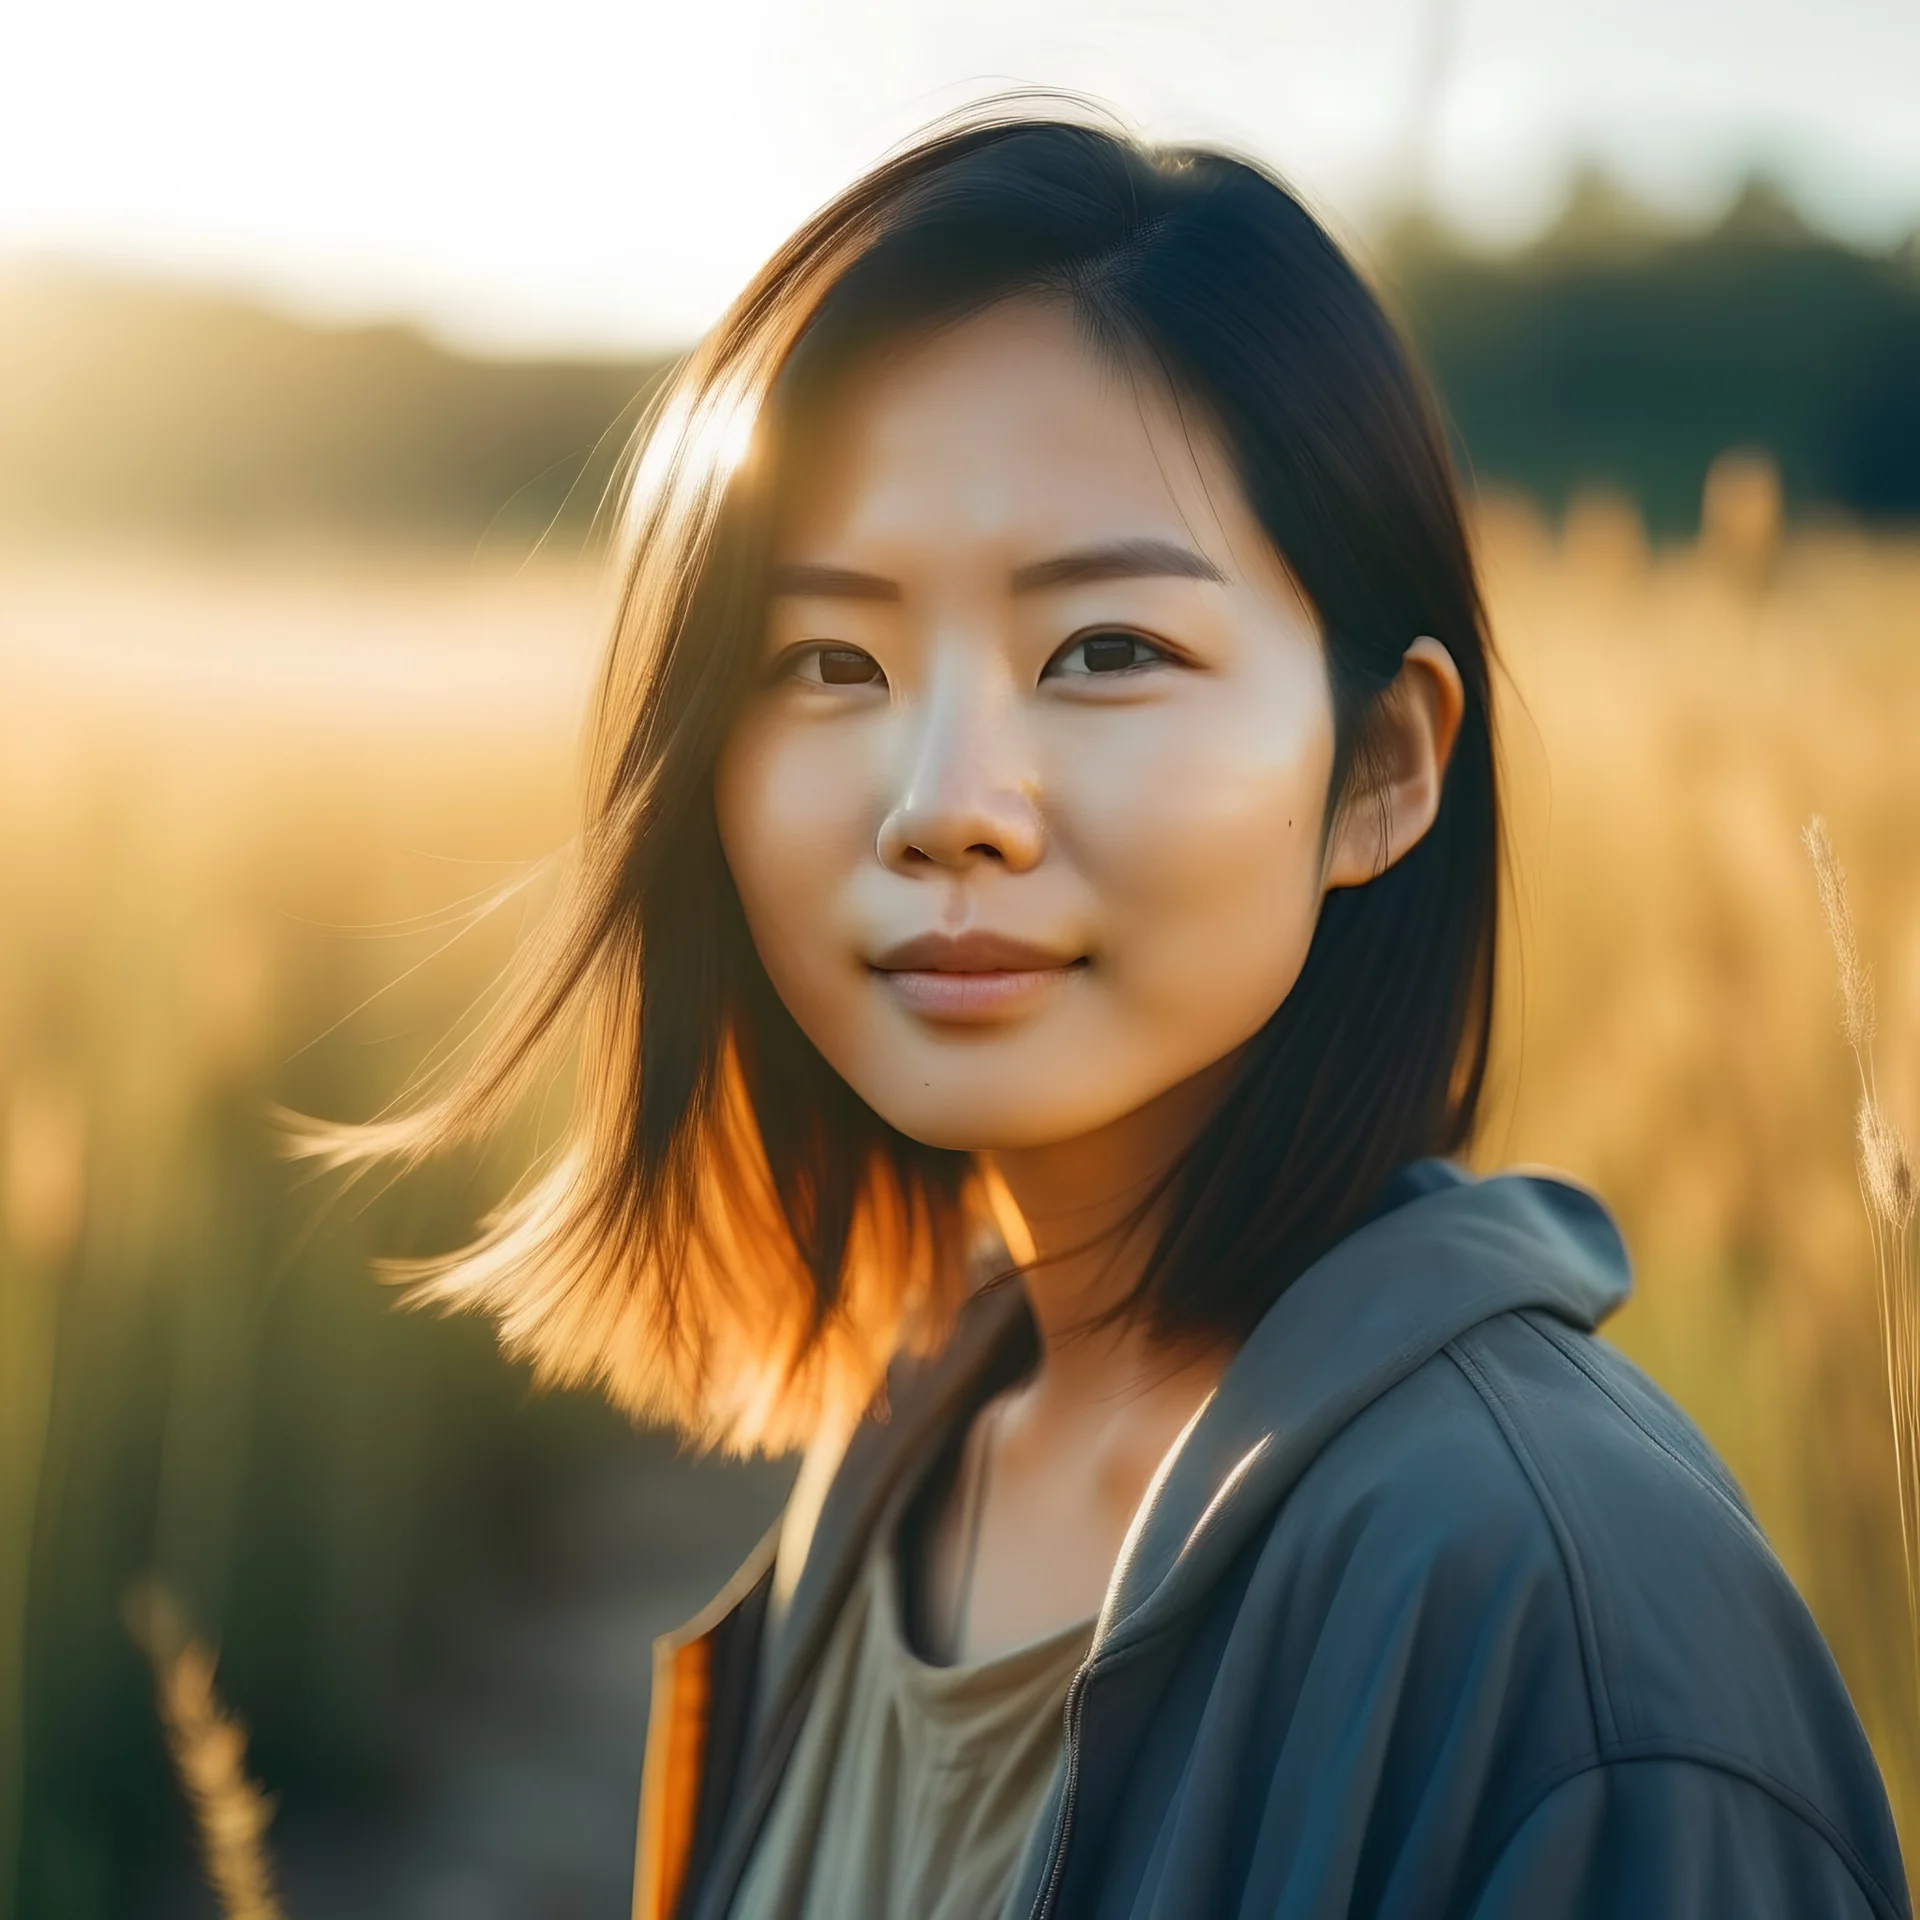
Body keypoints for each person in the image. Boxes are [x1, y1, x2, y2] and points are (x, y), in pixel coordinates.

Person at [309, 109, 1910, 1918]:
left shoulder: (1573, 1635)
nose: (946, 801)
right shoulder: (921, 1430)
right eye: (829, 662)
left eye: (1107, 653)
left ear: (1383, 767)